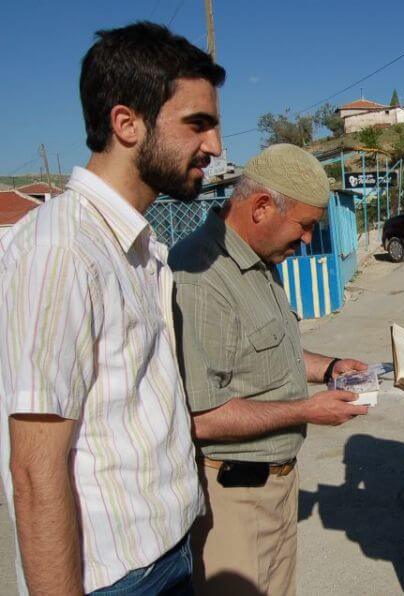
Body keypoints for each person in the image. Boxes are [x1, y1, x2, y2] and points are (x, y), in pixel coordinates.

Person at [0, 22, 224, 595]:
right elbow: (33, 468)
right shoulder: (61, 250)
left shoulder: (140, 247)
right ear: (127, 124)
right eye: (197, 124)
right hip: (114, 579)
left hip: (167, 554)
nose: (215, 146)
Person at [169, 143, 369, 595]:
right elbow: (201, 417)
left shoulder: (260, 260)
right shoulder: (199, 276)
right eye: (304, 227)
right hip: (232, 502)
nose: (305, 240)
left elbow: (271, 354)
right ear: (261, 207)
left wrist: (331, 368)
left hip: (276, 490)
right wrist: (307, 411)